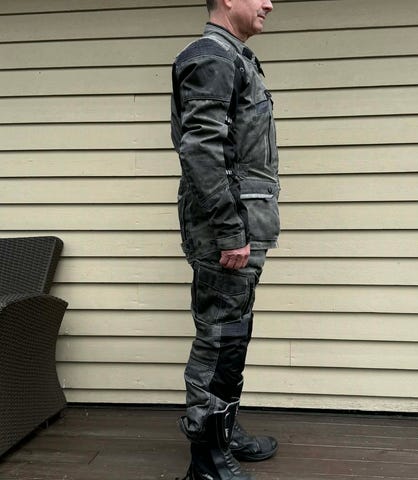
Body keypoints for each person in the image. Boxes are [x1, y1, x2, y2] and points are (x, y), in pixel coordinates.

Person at [171, 1, 280, 478]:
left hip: (242, 225)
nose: (269, 3)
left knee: (233, 336)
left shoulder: (233, 57)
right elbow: (201, 150)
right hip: (227, 231)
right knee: (220, 340)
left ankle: (225, 432)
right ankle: (208, 461)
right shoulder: (212, 57)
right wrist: (231, 231)